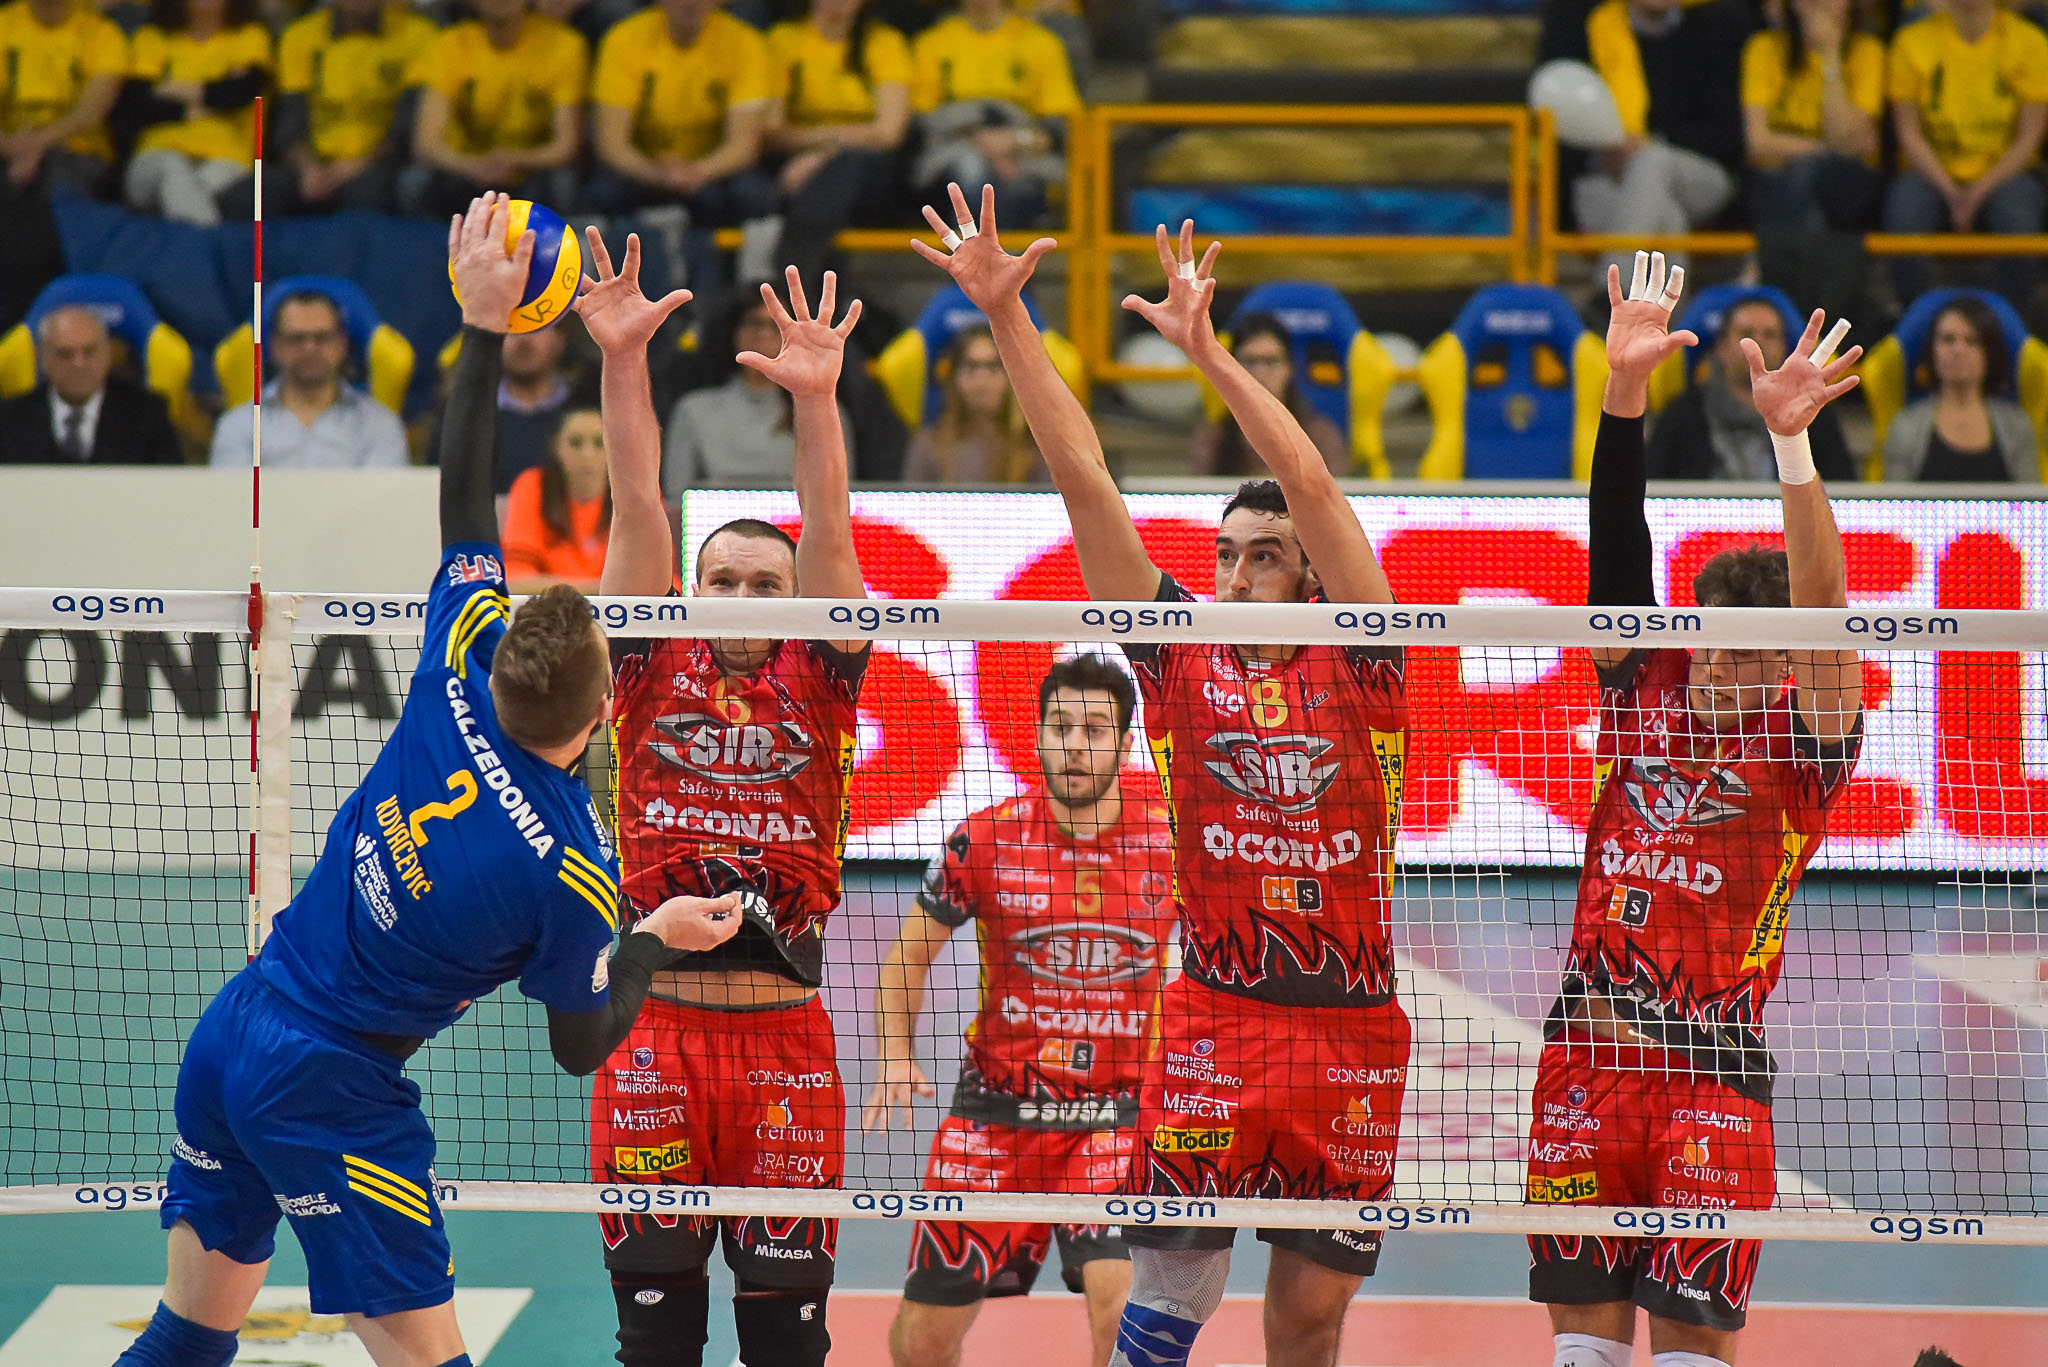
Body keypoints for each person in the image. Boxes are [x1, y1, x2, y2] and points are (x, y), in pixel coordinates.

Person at [110, 190, 742, 1367]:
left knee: (185, 1337)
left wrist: (482, 321)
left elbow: (462, 489)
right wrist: (651, 940)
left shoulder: (460, 652)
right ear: (602, 710)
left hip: (236, 1025)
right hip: (332, 1086)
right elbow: (579, 1045)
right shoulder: (572, 869)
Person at [917, 185, 1413, 1367]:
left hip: (1350, 1033)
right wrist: (1004, 315)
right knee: (1161, 1313)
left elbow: (1315, 489)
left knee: (1306, 1324)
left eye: (1263, 558)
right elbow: (1084, 478)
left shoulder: (1367, 662)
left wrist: (1206, 354)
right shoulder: (1179, 656)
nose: (1235, 577)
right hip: (1212, 1020)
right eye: (1224, 557)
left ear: (1308, 577)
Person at [1528, 250, 1864, 1367]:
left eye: (1746, 651)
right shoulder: (1648, 684)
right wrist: (1622, 390)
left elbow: (1825, 607)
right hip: (1585, 1062)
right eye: (1709, 640)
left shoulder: (1804, 744)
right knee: (1580, 1352)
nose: (1716, 663)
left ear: (1785, 662)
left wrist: (1790, 446)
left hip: (1710, 1077)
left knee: (1684, 1352)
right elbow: (1615, 546)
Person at [576, 225, 870, 1367]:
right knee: (654, 1344)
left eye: (765, 583)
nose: (743, 597)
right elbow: (638, 503)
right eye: (722, 580)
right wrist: (622, 359)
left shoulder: (823, 671)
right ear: (690, 590)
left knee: (787, 1346)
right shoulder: (647, 660)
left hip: (785, 1046)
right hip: (652, 1035)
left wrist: (816, 400)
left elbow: (830, 523)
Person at [864, 654, 1176, 1367]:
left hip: (1117, 1116)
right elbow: (906, 958)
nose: (1075, 745)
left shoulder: (1172, 841)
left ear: (1126, 742)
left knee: (1123, 1313)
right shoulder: (984, 839)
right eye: (1060, 726)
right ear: (1036, 736)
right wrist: (894, 1054)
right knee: (920, 1345)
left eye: (1095, 729)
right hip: (996, 1114)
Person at [587, 0, 779, 298]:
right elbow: (611, 142)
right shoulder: (624, 38)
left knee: (754, 195)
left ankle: (742, 298)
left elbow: (743, 145)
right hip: (644, 168)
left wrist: (696, 172)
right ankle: (607, 292)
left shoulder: (745, 42)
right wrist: (657, 172)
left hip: (711, 171)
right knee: (601, 193)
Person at [1883, 0, 2048, 305]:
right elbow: (1908, 134)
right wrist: (1951, 191)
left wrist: (1976, 193)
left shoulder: (2031, 42)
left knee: (2018, 220)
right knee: (1904, 216)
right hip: (1931, 172)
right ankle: (1919, 319)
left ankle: (2004, 320)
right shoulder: (1912, 42)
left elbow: (2028, 139)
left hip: (2005, 174)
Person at [1574, 0, 1753, 271]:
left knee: (1652, 160)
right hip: (1614, 177)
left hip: (1700, 173)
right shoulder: (1596, 31)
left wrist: (1652, 143)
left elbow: (1727, 134)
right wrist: (1609, 150)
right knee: (1669, 217)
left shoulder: (1712, 30)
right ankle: (1666, 301)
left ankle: (1612, 285)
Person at [1741, 0, 1885, 325]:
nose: (1819, 6)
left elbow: (1848, 142)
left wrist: (1830, 58)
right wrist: (1823, 148)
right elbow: (1758, 143)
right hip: (1778, 183)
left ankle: (1772, 294)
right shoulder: (1764, 48)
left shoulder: (1867, 51)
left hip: (1849, 186)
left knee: (1809, 177)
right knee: (1796, 181)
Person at [765, 0, 916, 293]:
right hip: (794, 162)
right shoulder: (782, 40)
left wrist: (825, 154)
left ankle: (787, 285)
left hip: (870, 175)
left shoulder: (885, 42)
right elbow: (772, 130)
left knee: (850, 166)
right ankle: (805, 290)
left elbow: (889, 133)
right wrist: (824, 150)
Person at [401, 0, 585, 220]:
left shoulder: (563, 44)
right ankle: (435, 242)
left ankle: (557, 241)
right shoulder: (449, 44)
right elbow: (426, 144)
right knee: (416, 180)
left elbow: (565, 146)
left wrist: (515, 159)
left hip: (528, 171)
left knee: (562, 181)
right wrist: (472, 165)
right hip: (465, 170)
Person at [1646, 292, 1856, 481]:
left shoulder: (1812, 414)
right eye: (1747, 333)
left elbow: (1843, 491)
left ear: (1785, 348)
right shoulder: (1682, 414)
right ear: (1721, 346)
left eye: (1770, 334)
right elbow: (1652, 490)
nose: (1758, 342)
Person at [663, 291, 860, 490]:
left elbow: (838, 494)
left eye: (776, 325)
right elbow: (675, 498)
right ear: (734, 332)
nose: (765, 334)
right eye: (754, 323)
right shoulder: (694, 411)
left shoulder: (821, 410)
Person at [910, 0, 1080, 228]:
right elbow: (924, 123)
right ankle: (977, 249)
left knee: (1023, 184)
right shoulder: (932, 43)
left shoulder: (1041, 43)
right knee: (970, 171)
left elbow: (1058, 128)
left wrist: (1013, 142)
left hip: (1024, 150)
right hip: (954, 145)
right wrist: (982, 143)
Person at [209, 289, 411, 468]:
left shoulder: (380, 424)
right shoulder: (238, 425)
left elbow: (383, 498)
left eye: (322, 337)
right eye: (296, 338)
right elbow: (232, 497)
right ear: (274, 346)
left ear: (342, 345)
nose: (309, 348)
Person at [271, 0, 438, 215]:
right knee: (254, 195)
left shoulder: (418, 35)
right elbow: (290, 125)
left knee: (370, 193)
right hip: (314, 162)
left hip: (380, 163)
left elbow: (406, 128)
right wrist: (308, 168)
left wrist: (359, 164)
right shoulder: (299, 36)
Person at [120, 0, 269, 227]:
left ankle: (196, 244)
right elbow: (134, 104)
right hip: (156, 154)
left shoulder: (248, 36)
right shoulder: (152, 37)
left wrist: (166, 89)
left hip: (227, 160)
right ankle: (210, 243)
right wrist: (191, 108)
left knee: (186, 190)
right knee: (172, 169)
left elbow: (240, 92)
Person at [1882, 295, 2041, 482]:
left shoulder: (2017, 426)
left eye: (1972, 341)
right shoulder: (1905, 427)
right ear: (1932, 351)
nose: (1958, 350)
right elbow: (1895, 498)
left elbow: (2030, 497)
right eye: (1948, 340)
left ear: (1989, 353)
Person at [0, 304, 181, 465]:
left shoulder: (147, 413)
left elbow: (169, 483)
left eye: (89, 352)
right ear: (43, 359)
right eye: (65, 354)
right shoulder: (9, 420)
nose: (79, 364)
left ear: (108, 355)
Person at [1188, 313, 1348, 477]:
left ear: (1289, 368)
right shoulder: (1212, 441)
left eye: (1270, 361)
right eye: (1250, 361)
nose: (1260, 372)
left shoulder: (1320, 438)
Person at [0, 0, 128, 200]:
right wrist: (9, 146)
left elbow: (90, 113)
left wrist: (35, 144)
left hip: (76, 150)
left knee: (56, 189)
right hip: (9, 146)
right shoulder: (5, 24)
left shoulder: (102, 33)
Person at [901, 325, 1045, 484]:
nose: (982, 379)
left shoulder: (1035, 450)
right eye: (971, 366)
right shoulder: (928, 448)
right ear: (954, 378)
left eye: (993, 366)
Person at [503, 404, 611, 591]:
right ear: (556, 446)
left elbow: (653, 583)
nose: (587, 455)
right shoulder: (532, 486)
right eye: (575, 443)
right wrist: (600, 590)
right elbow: (515, 580)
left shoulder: (637, 491)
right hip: (548, 609)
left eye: (599, 443)